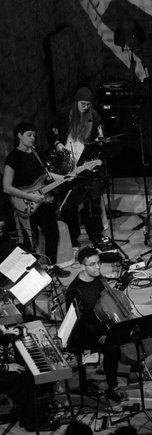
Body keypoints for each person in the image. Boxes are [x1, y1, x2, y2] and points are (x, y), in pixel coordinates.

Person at [64, 246, 132, 406]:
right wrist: (102, 333)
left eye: (98, 263)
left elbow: (105, 301)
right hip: (86, 332)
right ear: (82, 266)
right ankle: (112, 385)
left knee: (130, 330)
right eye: (92, 264)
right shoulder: (75, 291)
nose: (97, 267)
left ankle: (129, 363)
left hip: (102, 321)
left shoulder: (98, 277)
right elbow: (78, 321)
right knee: (112, 345)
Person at [2, 121, 69, 276]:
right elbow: (6, 187)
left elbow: (47, 176)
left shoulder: (36, 153)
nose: (33, 138)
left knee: (52, 232)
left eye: (34, 135)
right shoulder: (13, 158)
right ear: (19, 135)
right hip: (25, 204)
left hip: (43, 202)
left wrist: (66, 177)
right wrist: (29, 196)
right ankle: (32, 274)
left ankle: (51, 267)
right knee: (31, 240)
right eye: (29, 135)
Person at [48, 86, 106, 247]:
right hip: (67, 164)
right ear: (76, 102)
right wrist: (57, 143)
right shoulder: (64, 114)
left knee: (92, 202)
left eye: (88, 104)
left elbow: (100, 134)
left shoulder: (94, 116)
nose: (85, 107)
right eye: (82, 104)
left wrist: (101, 137)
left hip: (86, 165)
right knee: (70, 204)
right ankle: (73, 239)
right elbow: (50, 133)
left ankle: (95, 234)